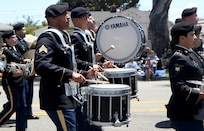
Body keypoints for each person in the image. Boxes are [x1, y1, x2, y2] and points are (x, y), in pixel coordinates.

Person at [34, 3, 98, 131]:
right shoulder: (47, 38)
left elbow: (71, 65)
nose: (68, 17)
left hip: (70, 96)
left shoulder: (64, 37)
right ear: (52, 18)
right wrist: (69, 74)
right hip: (57, 97)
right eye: (64, 15)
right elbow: (41, 65)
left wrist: (85, 74)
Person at [166, 22, 204, 131]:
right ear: (182, 38)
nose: (195, 37)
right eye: (192, 35)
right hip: (185, 114)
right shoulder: (179, 58)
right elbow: (178, 88)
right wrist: (200, 94)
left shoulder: (191, 54)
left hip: (196, 111)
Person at [0, 30, 27, 131]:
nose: (16, 39)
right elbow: (1, 66)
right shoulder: (4, 51)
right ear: (6, 39)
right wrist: (11, 72)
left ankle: (21, 128)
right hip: (10, 82)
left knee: (23, 107)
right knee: (13, 106)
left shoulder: (16, 48)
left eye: (15, 37)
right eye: (13, 37)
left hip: (20, 81)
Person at [13, 23, 39, 120]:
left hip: (29, 71)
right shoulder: (17, 43)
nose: (25, 31)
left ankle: (28, 112)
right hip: (23, 72)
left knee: (29, 94)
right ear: (18, 31)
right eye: (23, 30)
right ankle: (21, 111)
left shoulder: (23, 41)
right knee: (24, 95)